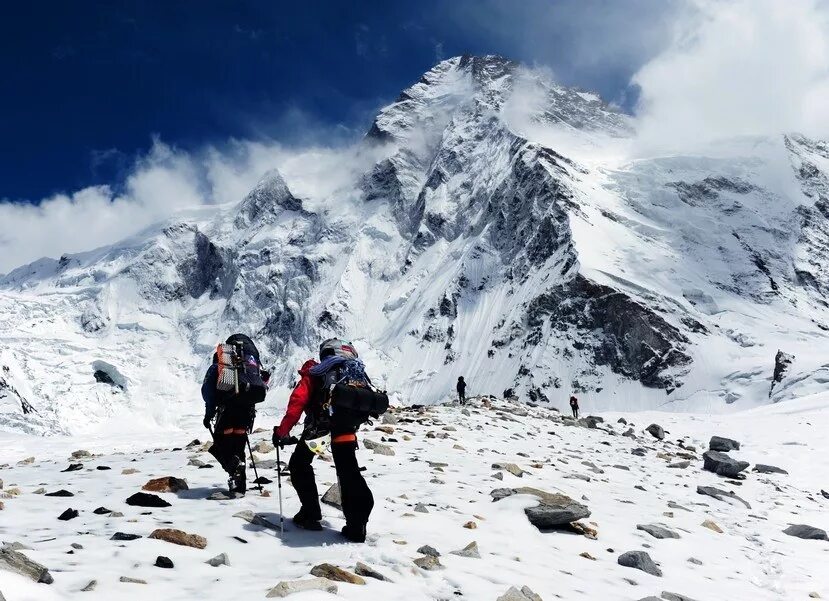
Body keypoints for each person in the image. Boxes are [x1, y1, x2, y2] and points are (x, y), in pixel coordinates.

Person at [273, 338, 375, 543]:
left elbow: (297, 403)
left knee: (300, 464)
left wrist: (282, 432)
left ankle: (310, 514)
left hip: (319, 432)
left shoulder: (316, 372)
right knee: (348, 471)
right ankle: (357, 525)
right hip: (346, 429)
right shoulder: (354, 372)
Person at [202, 333, 270, 497]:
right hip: (247, 411)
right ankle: (239, 487)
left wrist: (209, 412)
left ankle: (234, 469)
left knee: (221, 442)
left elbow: (208, 390)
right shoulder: (253, 364)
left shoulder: (224, 363)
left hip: (227, 408)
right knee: (239, 445)